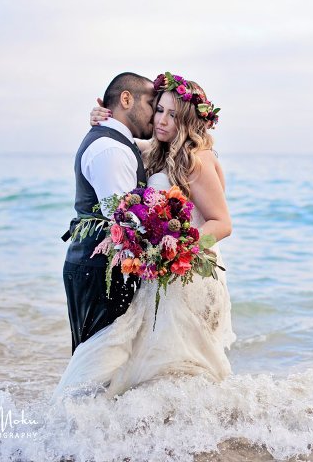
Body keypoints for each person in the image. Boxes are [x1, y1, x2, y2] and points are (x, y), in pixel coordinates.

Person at [53, 72, 235, 400]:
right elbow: (117, 136)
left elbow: (222, 224)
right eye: (158, 109)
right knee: (148, 363)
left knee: (187, 364)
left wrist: (179, 251)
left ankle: (208, 421)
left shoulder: (197, 159)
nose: (160, 120)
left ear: (189, 120)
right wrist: (101, 117)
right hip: (164, 275)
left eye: (172, 114)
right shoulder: (159, 151)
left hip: (189, 275)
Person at [61, 72, 156, 355]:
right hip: (99, 270)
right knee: (98, 362)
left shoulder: (119, 143)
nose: (155, 115)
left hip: (103, 268)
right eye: (152, 105)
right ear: (126, 99)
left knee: (113, 360)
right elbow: (125, 220)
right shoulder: (110, 149)